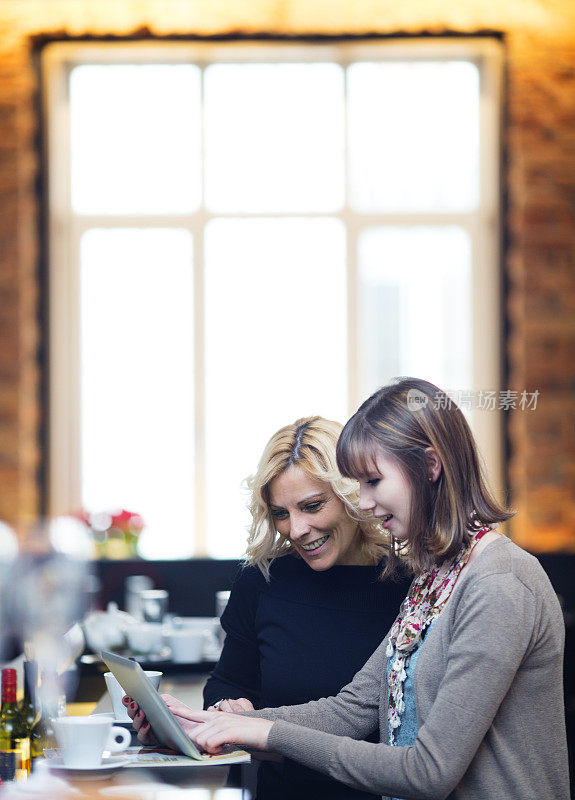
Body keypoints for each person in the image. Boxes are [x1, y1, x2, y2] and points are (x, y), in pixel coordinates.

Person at [128, 379, 569, 800]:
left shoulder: (499, 581)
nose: (362, 501)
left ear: (430, 467)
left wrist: (260, 730)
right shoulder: (438, 576)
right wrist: (205, 724)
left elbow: (429, 771)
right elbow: (352, 709)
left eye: (372, 482)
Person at [127, 416, 409, 799]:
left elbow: (389, 724)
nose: (296, 530)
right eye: (280, 513)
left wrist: (243, 724)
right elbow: (226, 683)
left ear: (351, 496)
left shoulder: (408, 586)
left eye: (312, 506)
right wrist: (225, 710)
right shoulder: (261, 582)